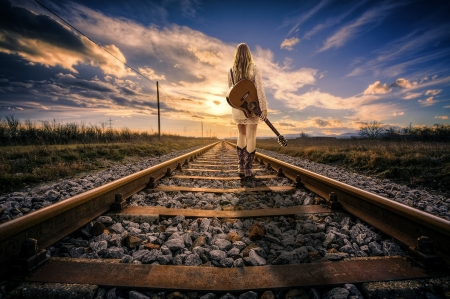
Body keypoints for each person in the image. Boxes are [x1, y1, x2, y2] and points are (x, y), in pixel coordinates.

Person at [228, 43, 268, 177]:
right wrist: (263, 108)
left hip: (238, 108)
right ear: (249, 54)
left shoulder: (231, 71)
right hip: (252, 107)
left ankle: (240, 166)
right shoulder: (255, 69)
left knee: (242, 134)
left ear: (236, 55)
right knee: (251, 135)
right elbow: (260, 90)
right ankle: (248, 169)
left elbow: (230, 93)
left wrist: (236, 108)